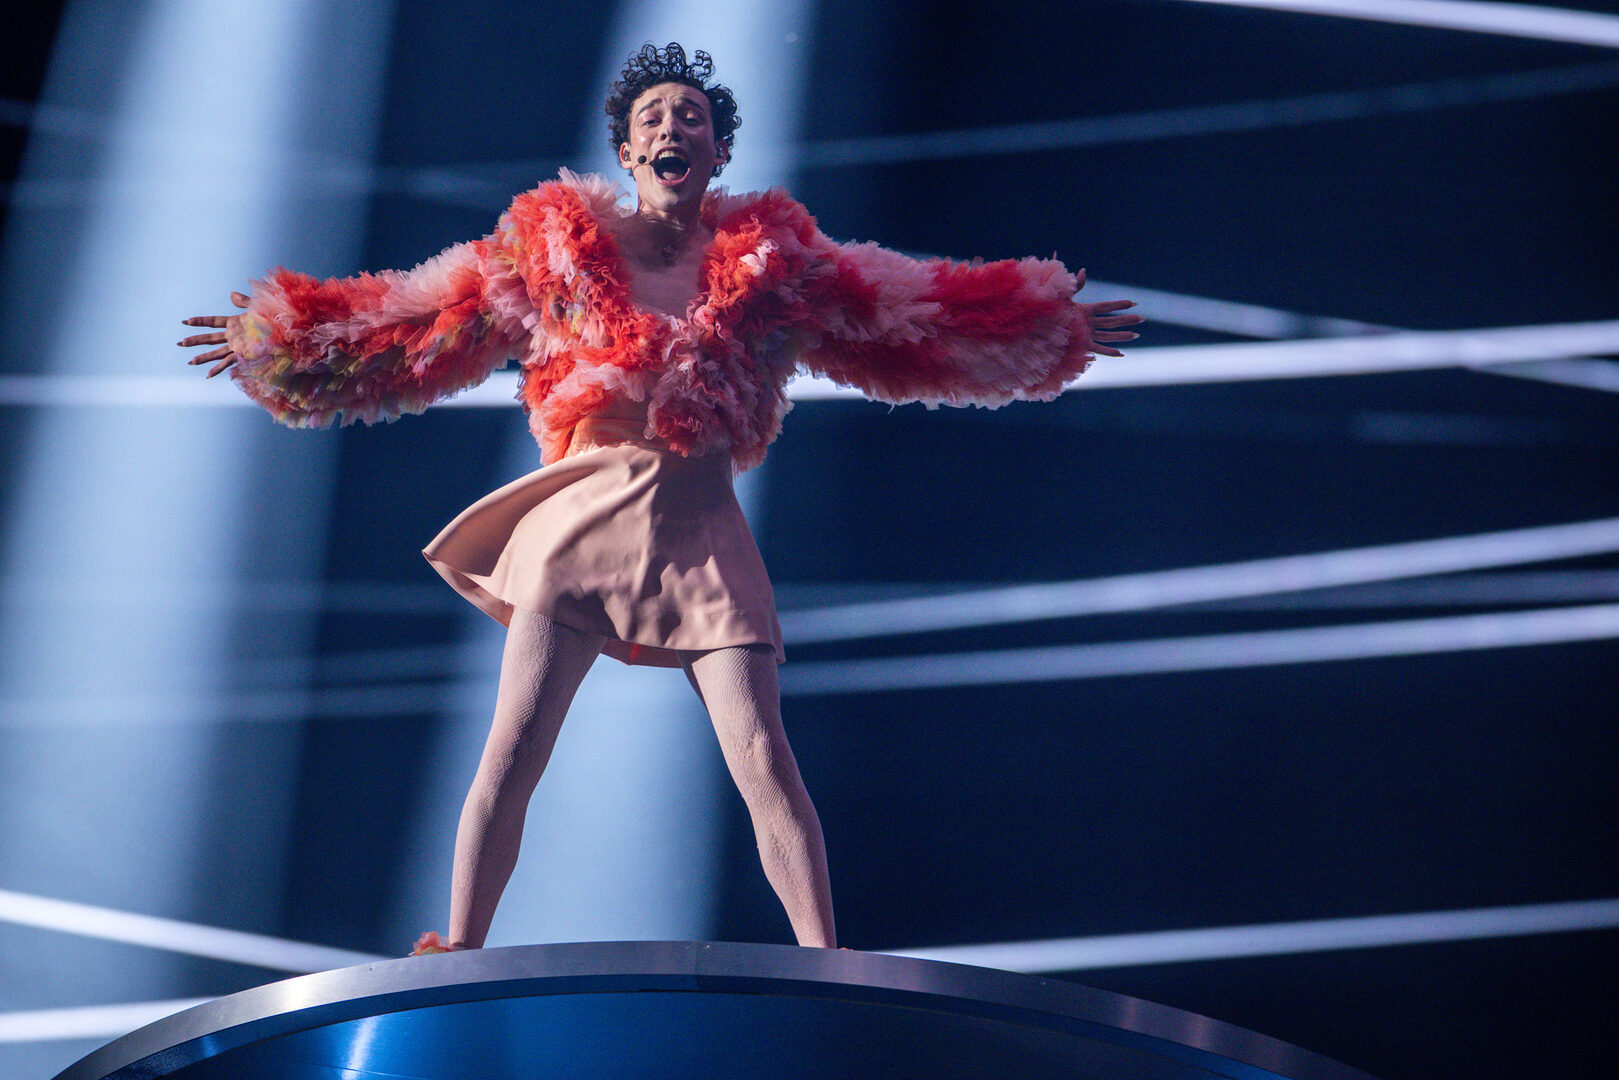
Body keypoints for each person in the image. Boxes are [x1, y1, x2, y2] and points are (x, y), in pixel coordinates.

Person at [180, 43, 1142, 954]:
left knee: (763, 756)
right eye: (652, 117)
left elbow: (904, 309)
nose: (671, 128)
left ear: (718, 151)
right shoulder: (553, 249)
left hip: (700, 525)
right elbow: (424, 315)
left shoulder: (778, 265)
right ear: (629, 150)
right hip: (583, 519)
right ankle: (457, 948)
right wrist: (287, 338)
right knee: (515, 746)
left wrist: (1039, 323)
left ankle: (828, 962)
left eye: (690, 117)